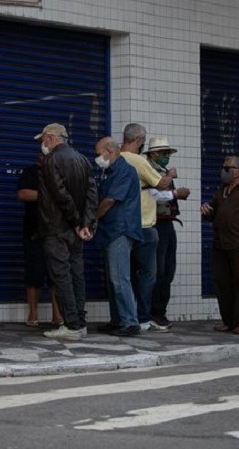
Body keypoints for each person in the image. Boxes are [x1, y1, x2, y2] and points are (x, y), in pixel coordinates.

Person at [34, 123, 98, 341]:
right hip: (76, 232)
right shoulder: (83, 159)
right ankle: (80, 322)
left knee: (61, 277)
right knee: (76, 276)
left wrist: (76, 222)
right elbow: (92, 195)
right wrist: (86, 224)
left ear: (51, 138)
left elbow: (61, 195)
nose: (42, 145)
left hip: (57, 228)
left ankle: (71, 325)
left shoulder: (52, 160)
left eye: (43, 140)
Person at [119, 123, 174, 332]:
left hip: (124, 225)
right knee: (149, 274)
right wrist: (171, 177)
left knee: (125, 274)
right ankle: (143, 316)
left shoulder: (116, 159)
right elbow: (161, 185)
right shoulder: (139, 161)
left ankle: (128, 317)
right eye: (162, 152)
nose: (165, 156)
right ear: (140, 141)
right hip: (145, 225)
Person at [200, 156, 239, 335]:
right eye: (223, 167)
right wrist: (206, 210)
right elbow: (215, 212)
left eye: (227, 168)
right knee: (222, 283)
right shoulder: (223, 190)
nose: (223, 171)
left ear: (238, 171)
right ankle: (227, 321)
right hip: (220, 243)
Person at [93, 137, 144, 336]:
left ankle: (130, 322)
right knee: (113, 279)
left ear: (110, 151)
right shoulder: (111, 171)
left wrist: (93, 218)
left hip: (120, 230)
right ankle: (118, 319)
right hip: (111, 231)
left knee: (119, 278)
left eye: (98, 153)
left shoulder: (124, 171)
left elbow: (109, 200)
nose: (97, 158)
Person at [145, 136, 191, 329]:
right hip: (156, 224)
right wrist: (172, 183)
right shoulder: (148, 169)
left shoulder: (161, 171)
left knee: (168, 270)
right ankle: (153, 312)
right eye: (164, 153)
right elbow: (151, 195)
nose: (167, 157)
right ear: (154, 154)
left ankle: (160, 311)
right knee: (158, 270)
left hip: (168, 224)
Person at [16, 154, 63, 327]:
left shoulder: (60, 172)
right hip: (33, 231)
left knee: (56, 275)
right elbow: (22, 193)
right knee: (33, 274)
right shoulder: (30, 172)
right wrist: (47, 195)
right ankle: (33, 314)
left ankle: (57, 315)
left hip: (57, 231)